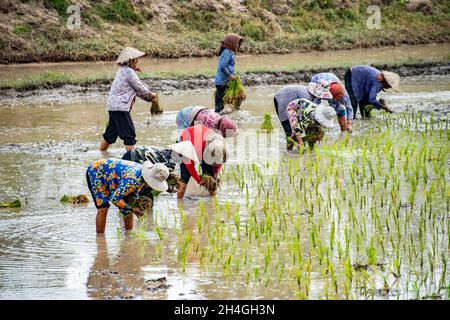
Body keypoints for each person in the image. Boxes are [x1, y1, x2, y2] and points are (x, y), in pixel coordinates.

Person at [86, 158, 169, 233]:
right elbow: (115, 199)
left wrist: (132, 206)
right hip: (97, 170)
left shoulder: (142, 176)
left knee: (127, 206)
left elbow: (132, 196)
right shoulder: (132, 180)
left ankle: (128, 234)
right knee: (103, 207)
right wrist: (133, 209)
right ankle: (100, 241)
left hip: (114, 175)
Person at [100, 47, 159, 152]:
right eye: (134, 59)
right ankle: (131, 160)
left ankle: (101, 154)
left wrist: (149, 98)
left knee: (110, 134)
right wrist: (151, 96)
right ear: (129, 61)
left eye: (137, 59)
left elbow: (136, 90)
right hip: (120, 107)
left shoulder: (123, 70)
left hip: (113, 106)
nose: (137, 61)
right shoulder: (129, 72)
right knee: (129, 135)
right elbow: (139, 88)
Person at [177, 124, 229, 199]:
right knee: (184, 178)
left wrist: (214, 175)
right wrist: (199, 181)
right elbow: (189, 166)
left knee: (212, 181)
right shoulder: (193, 146)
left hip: (204, 139)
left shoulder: (220, 145)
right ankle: (179, 203)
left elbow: (219, 162)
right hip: (185, 139)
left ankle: (212, 203)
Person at [214, 33, 244, 113]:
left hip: (225, 81)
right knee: (220, 104)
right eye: (237, 43)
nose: (238, 45)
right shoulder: (227, 52)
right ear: (231, 42)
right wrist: (230, 75)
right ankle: (217, 117)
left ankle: (224, 115)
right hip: (222, 82)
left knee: (225, 100)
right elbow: (222, 66)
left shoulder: (230, 52)